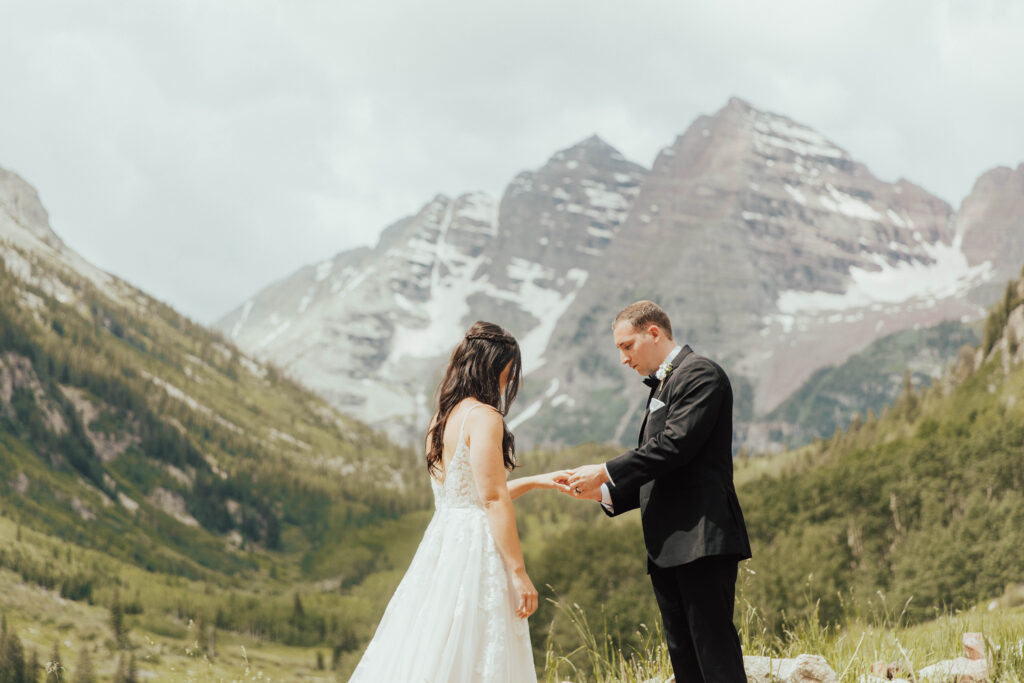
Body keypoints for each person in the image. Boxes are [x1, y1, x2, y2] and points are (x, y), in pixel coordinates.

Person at [349, 321, 569, 682]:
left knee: (433, 641)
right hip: (476, 549)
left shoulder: (440, 420)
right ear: (493, 367)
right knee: (480, 645)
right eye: (507, 371)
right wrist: (519, 574)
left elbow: (465, 497)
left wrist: (535, 482)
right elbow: (493, 499)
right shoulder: (484, 417)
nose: (507, 381)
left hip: (443, 543)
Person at [565, 301, 752, 683]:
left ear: (654, 332)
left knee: (713, 654)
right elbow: (664, 471)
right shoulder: (664, 384)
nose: (623, 359)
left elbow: (674, 447)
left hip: (702, 537)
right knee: (684, 659)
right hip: (668, 546)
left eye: (626, 346)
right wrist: (605, 495)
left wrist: (604, 471)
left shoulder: (701, 373)